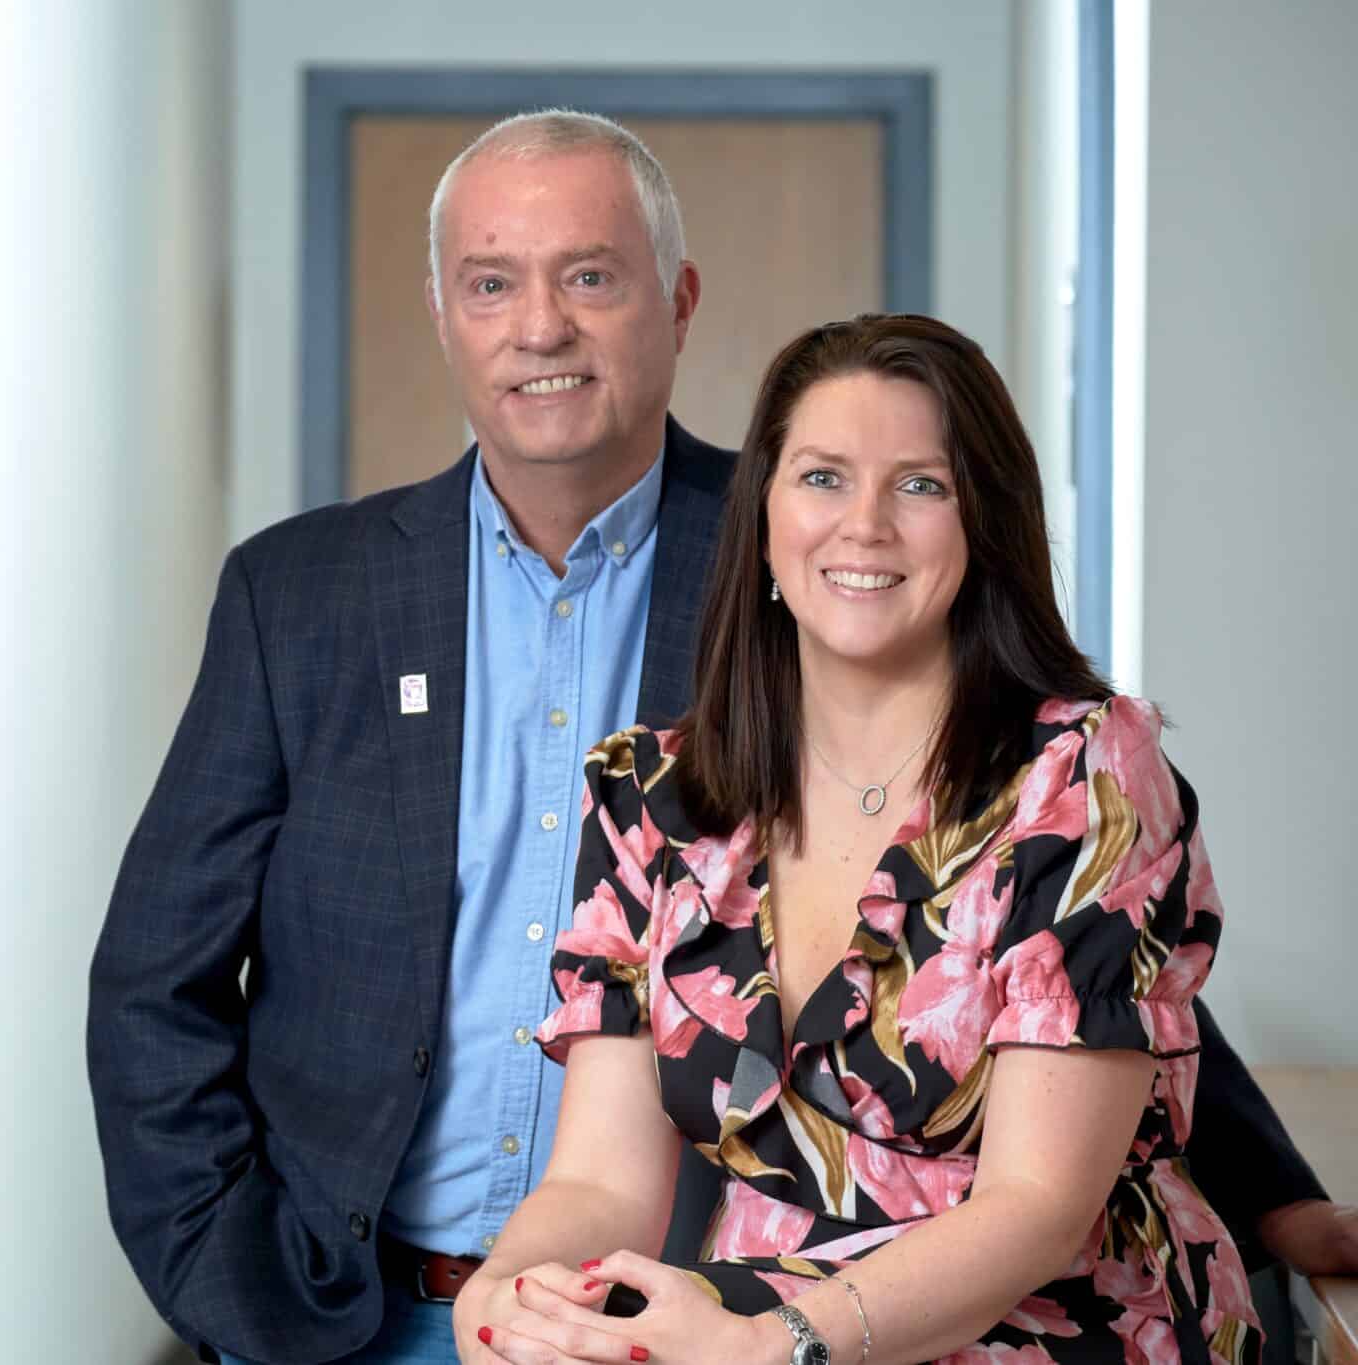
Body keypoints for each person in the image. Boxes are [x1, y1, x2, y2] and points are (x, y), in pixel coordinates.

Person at [86, 111, 1352, 1365]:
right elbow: (158, 980)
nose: (541, 327)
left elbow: (1076, 971)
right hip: (370, 1306)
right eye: (491, 283)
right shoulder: (315, 603)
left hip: (712, 1315)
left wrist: (1271, 1195)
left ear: (677, 299)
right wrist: (226, 1283)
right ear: (441, 309)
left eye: (589, 276)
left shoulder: (802, 584)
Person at [453, 313, 1264, 1365]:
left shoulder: (1081, 777)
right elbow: (599, 1183)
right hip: (737, 1334)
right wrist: (507, 1304)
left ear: (985, 525)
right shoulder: (653, 794)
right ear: (763, 520)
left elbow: (1035, 1209)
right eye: (822, 477)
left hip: (1047, 1333)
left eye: (919, 485)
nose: (864, 525)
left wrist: (778, 1346)